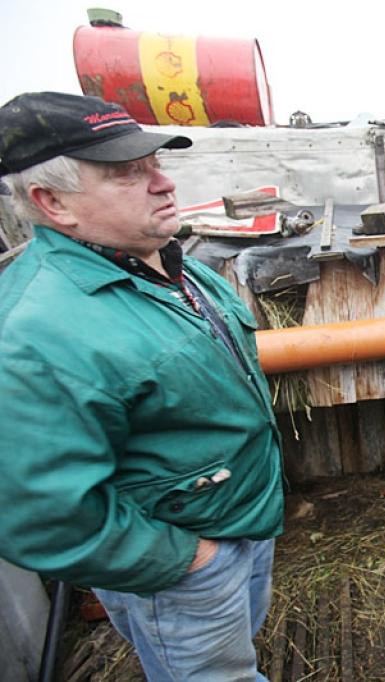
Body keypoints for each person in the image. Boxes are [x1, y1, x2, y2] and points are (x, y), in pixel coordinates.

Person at [0, 92, 284, 679]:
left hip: (240, 525)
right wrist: (192, 562)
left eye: (155, 163)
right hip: (179, 563)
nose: (163, 183)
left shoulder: (172, 265)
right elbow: (39, 514)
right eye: (127, 172)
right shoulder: (32, 331)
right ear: (53, 202)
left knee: (239, 648)